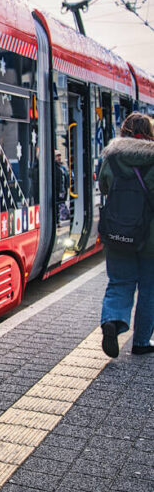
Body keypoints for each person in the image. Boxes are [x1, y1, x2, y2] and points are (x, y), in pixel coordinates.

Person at [98, 112, 154, 357]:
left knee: (119, 282)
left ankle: (113, 320)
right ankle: (141, 341)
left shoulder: (111, 157)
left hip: (118, 234)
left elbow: (104, 185)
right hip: (150, 238)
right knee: (150, 289)